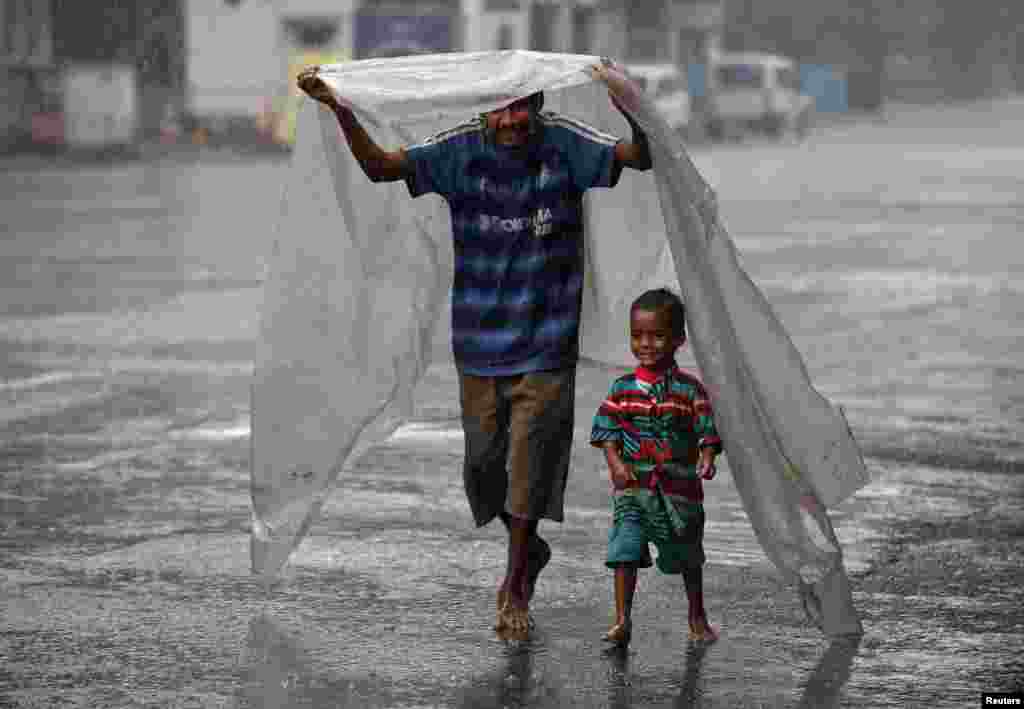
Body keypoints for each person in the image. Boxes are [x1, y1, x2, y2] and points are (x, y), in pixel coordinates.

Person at [296, 60, 652, 636]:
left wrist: (629, 103)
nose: (512, 120)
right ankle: (527, 547)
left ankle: (513, 584)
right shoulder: (460, 150)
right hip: (478, 343)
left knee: (526, 469)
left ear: (538, 106)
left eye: (522, 108)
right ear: (484, 109)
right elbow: (382, 168)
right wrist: (340, 107)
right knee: (485, 472)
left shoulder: (563, 144)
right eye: (502, 109)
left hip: (546, 340)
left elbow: (639, 157)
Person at [590, 288, 722, 648]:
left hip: (679, 493)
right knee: (624, 550)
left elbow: (707, 431)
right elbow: (605, 431)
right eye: (637, 336)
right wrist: (616, 463)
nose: (645, 344)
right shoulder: (622, 389)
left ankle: (697, 615)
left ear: (678, 339)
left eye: (656, 335)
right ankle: (622, 619)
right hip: (633, 488)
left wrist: (707, 458)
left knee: (688, 555)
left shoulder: (689, 390)